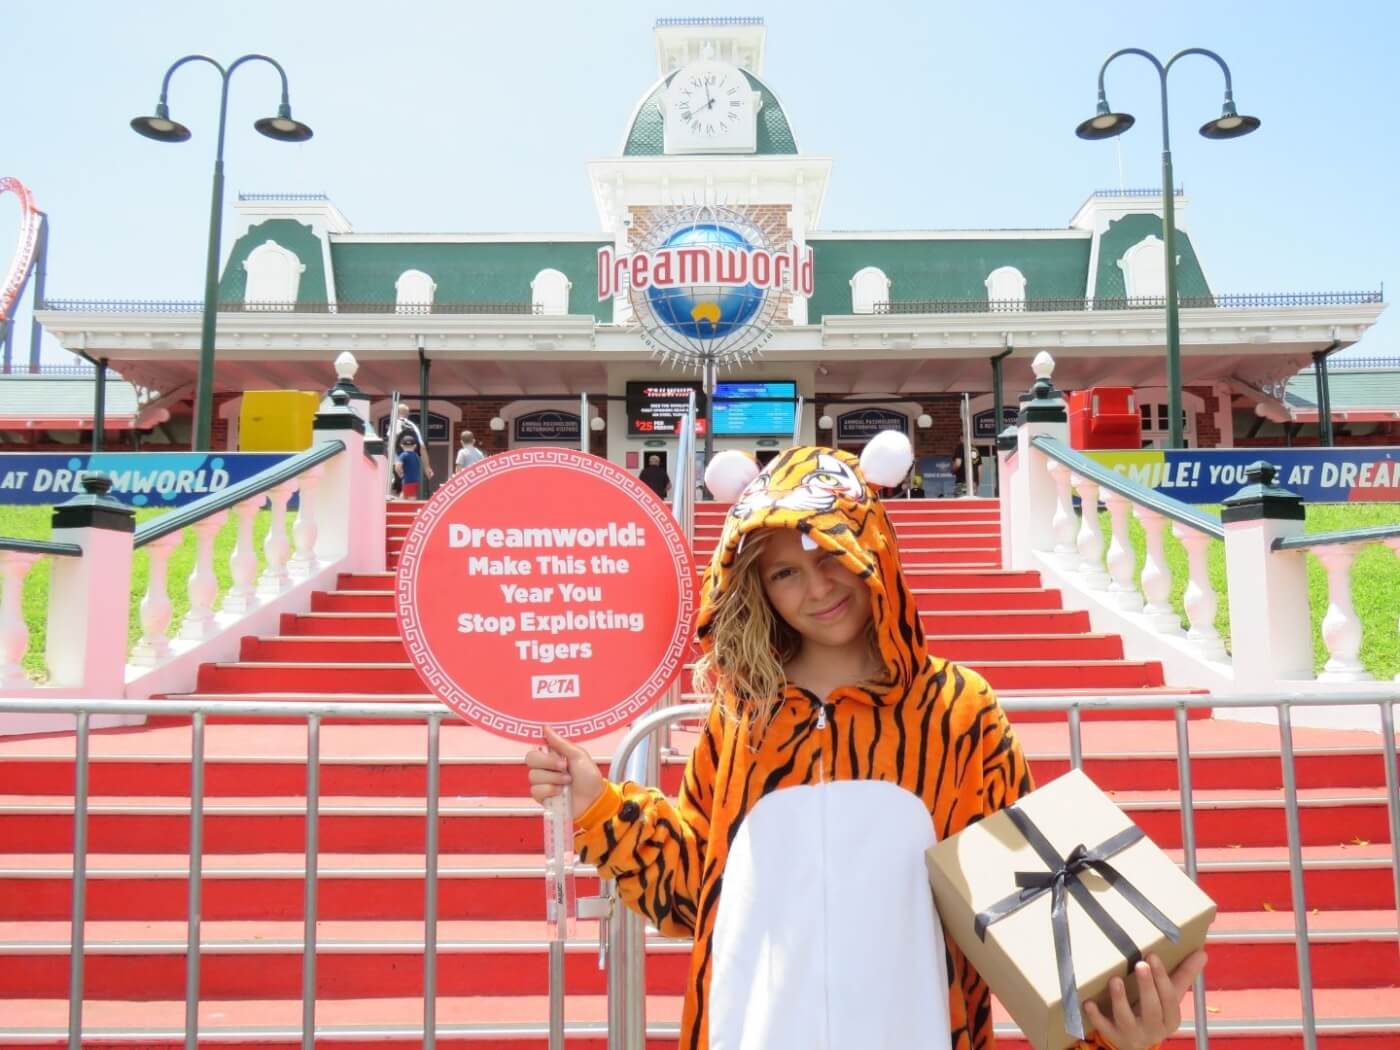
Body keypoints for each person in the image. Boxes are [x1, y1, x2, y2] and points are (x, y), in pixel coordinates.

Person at [526, 439, 1204, 1050]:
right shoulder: (740, 717)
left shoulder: (958, 710)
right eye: (783, 573)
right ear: (755, 589)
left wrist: (1111, 1024)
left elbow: (1023, 908)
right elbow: (695, 895)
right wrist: (595, 803)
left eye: (831, 556)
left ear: (872, 547)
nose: (816, 589)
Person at [394, 433, 424, 500]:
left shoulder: (403, 455)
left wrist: (400, 474)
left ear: (402, 445)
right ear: (415, 446)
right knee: (410, 494)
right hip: (415, 480)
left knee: (406, 496)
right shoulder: (416, 456)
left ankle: (404, 508)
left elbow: (397, 466)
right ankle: (409, 508)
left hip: (407, 480)